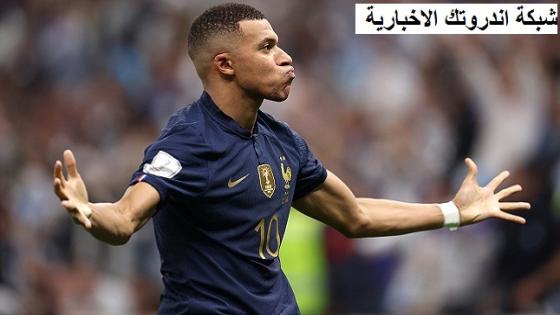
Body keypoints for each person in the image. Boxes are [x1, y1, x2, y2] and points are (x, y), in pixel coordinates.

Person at [52, 3, 530, 314]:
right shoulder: (188, 142)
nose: (285, 57)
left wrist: (452, 213)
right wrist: (90, 212)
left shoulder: (283, 142)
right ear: (225, 65)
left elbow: (356, 215)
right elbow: (124, 217)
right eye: (267, 48)